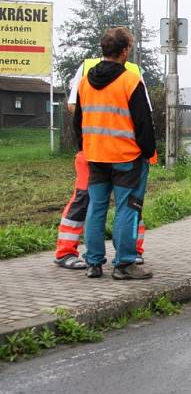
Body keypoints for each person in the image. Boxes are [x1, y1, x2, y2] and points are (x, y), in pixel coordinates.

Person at [54, 57, 151, 269]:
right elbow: (144, 117)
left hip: (95, 151)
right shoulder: (94, 69)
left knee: (99, 205)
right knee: (101, 202)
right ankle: (67, 252)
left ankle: (108, 257)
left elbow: (75, 111)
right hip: (118, 154)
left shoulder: (129, 71)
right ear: (125, 49)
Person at [74, 27, 155, 279]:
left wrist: (85, 147)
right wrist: (149, 151)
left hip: (96, 157)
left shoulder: (86, 80)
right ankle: (124, 264)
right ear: (124, 51)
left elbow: (77, 121)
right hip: (126, 158)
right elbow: (143, 122)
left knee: (96, 209)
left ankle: (94, 263)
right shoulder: (130, 81)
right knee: (127, 208)